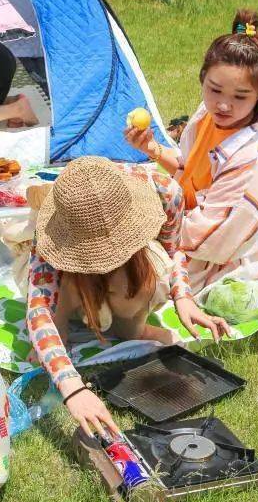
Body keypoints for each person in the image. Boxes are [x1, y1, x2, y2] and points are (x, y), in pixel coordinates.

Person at [26, 157, 232, 436]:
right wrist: (72, 388)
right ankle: (89, 313)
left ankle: (131, 323)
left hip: (135, 268)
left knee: (131, 295)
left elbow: (174, 251)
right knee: (53, 332)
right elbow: (40, 310)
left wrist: (183, 296)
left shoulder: (164, 192)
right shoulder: (51, 231)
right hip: (77, 281)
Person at [124, 10, 258, 297]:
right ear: (202, 79)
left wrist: (144, 226)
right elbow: (190, 170)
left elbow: (209, 238)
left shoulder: (251, 159)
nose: (223, 105)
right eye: (215, 90)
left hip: (230, 248)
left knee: (132, 278)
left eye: (239, 97)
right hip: (200, 219)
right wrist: (151, 149)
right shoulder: (208, 117)